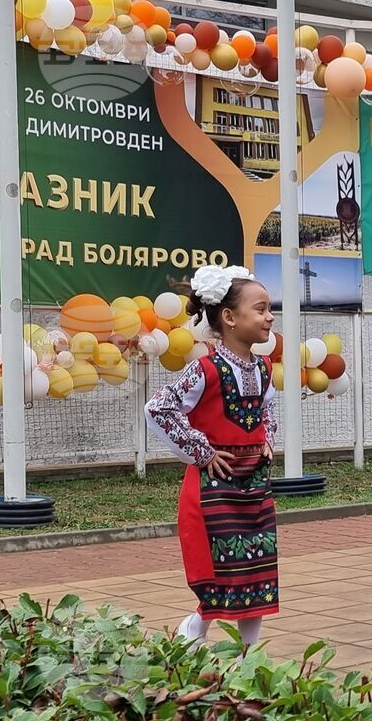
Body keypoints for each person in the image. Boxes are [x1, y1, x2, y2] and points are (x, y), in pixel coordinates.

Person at [145, 265, 279, 651]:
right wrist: (201, 451)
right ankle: (196, 627)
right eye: (261, 309)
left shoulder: (264, 367)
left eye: (269, 309)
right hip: (214, 487)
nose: (270, 317)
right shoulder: (205, 368)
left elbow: (266, 409)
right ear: (230, 317)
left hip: (255, 483)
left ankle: (248, 659)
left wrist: (267, 439)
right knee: (222, 574)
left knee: (257, 574)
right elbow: (159, 408)